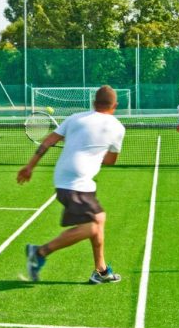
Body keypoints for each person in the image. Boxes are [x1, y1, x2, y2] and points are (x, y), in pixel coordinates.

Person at [17, 85, 125, 284]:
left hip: (70, 180)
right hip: (75, 183)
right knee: (92, 227)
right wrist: (95, 153)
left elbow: (48, 141)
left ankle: (101, 271)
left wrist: (30, 166)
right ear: (115, 105)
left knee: (99, 218)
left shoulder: (75, 117)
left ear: (94, 103)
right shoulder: (118, 127)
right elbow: (110, 160)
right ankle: (39, 252)